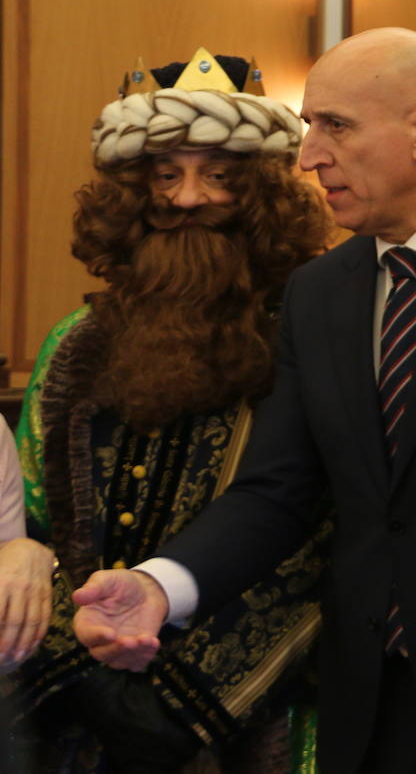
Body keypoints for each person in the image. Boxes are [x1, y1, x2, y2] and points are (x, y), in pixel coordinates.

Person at [71, 27, 416, 773]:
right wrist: (160, 585)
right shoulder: (317, 293)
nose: (310, 155)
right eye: (310, 127)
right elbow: (277, 491)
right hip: (362, 701)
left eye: (335, 127)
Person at [3, 49, 331, 772]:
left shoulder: (310, 334)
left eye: (218, 176)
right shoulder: (74, 344)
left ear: (260, 194)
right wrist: (82, 666)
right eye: (166, 174)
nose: (188, 199)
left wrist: (185, 698)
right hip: (77, 709)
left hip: (252, 714)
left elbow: (316, 534)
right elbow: (30, 528)